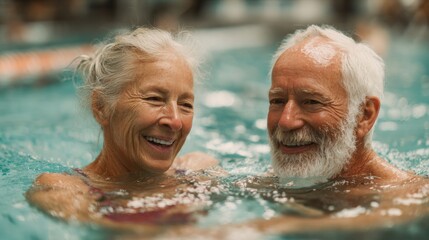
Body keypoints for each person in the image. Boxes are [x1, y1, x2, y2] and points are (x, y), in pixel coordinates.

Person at [26, 27, 219, 233]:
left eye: (186, 105)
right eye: (154, 98)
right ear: (101, 107)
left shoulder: (197, 173)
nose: (175, 121)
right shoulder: (64, 188)